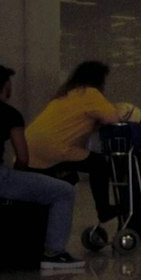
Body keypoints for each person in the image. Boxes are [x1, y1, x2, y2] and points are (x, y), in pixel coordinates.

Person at [0, 62, 82, 269]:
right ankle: (54, 252)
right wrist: (20, 177)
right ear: (6, 85)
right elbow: (22, 157)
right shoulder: (9, 113)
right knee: (63, 191)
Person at [24, 60, 129, 228]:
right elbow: (113, 118)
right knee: (99, 164)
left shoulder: (65, 94)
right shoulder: (90, 93)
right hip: (55, 149)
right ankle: (104, 209)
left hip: (29, 148)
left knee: (69, 176)